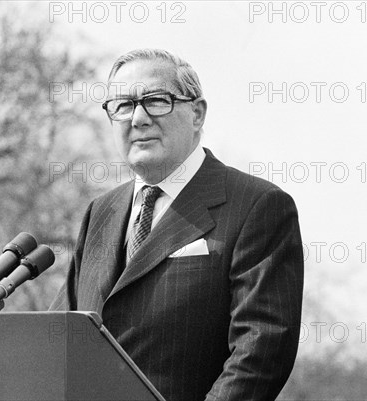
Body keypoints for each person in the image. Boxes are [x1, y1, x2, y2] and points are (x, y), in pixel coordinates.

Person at [50, 49, 304, 401]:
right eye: (122, 105)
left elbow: (261, 349)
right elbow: (57, 339)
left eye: (156, 100)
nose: (138, 118)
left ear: (197, 113)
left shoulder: (257, 206)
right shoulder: (100, 213)